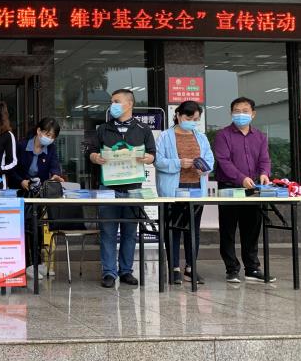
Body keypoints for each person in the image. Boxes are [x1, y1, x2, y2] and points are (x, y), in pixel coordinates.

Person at [87, 89, 156, 288]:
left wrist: (147, 158)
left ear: (129, 104)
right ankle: (109, 272)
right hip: (108, 188)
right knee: (108, 231)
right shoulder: (103, 128)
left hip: (133, 188)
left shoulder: (143, 128)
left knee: (129, 231)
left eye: (116, 101)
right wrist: (95, 157)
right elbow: (91, 151)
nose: (113, 105)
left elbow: (153, 154)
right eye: (112, 102)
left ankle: (126, 271)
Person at [213, 96, 276, 284]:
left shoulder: (260, 136)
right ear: (231, 113)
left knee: (252, 228)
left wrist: (264, 173)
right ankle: (231, 269)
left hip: (253, 188)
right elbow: (223, 161)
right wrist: (241, 178)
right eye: (237, 111)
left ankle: (252, 268)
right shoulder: (223, 135)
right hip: (229, 187)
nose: (241, 114)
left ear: (253, 114)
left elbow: (265, 159)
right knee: (228, 229)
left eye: (245, 111)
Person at [155, 101, 214, 285]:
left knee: (193, 230)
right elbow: (158, 161)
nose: (192, 122)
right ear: (178, 115)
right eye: (189, 118)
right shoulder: (165, 136)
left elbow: (210, 160)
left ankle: (190, 268)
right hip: (174, 190)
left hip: (196, 189)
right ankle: (174, 268)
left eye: (196, 119)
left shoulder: (201, 137)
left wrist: (204, 168)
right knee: (172, 229)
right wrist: (178, 163)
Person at [9, 118, 65, 280]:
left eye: (52, 136)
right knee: (24, 229)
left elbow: (54, 166)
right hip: (20, 192)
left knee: (38, 227)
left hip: (38, 194)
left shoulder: (51, 148)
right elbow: (11, 168)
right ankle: (27, 264)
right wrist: (21, 181)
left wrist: (55, 175)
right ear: (38, 131)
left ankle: (38, 262)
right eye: (47, 134)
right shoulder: (21, 146)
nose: (49, 138)